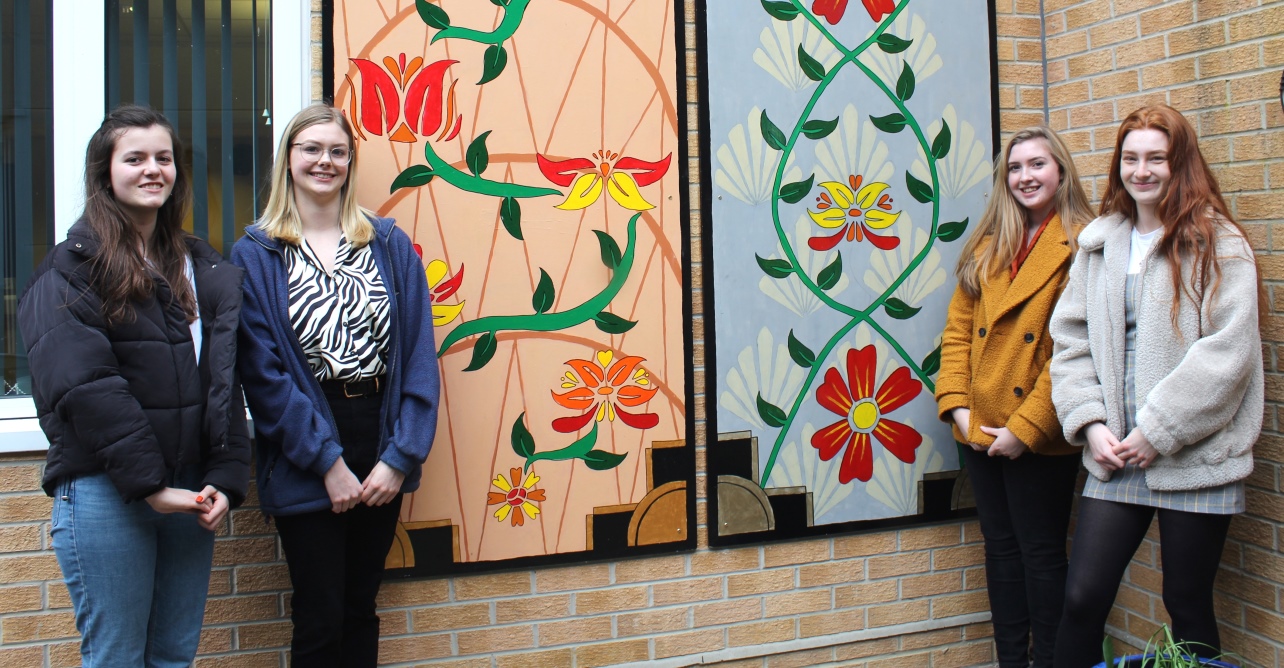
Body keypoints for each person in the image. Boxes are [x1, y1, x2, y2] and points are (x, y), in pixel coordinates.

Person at [17, 105, 250, 667]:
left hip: (191, 490)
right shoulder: (70, 269)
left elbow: (225, 380)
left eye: (163, 158)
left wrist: (224, 475)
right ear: (105, 173)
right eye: (135, 158)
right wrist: (150, 486)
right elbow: (85, 387)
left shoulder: (200, 264)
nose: (153, 170)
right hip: (106, 493)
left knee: (173, 657)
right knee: (117, 659)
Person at [1050, 105, 1264, 667]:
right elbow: (1070, 342)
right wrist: (1090, 424)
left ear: (1180, 164)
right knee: (1082, 597)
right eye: (1131, 158)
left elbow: (1228, 353)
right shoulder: (1099, 245)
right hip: (1116, 454)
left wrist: (1159, 428)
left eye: (1156, 158)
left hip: (1196, 455)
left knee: (1186, 603)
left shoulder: (1219, 243)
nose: (1141, 170)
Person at [232, 103, 440, 667]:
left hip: (379, 434)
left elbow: (420, 356)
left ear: (349, 162)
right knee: (320, 615)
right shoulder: (258, 255)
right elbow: (265, 378)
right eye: (312, 149)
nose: (325, 161)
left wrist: (400, 456)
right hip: (304, 442)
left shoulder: (388, 243)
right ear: (289, 160)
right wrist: (327, 462)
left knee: (359, 607)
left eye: (337, 151)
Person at [935, 126, 1095, 667]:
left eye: (1037, 165)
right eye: (1015, 168)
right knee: (1000, 551)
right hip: (978, 429)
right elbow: (957, 333)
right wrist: (960, 410)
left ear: (1061, 171)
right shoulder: (989, 246)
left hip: (1037, 434)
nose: (1026, 177)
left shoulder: (1086, 244)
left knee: (1042, 556)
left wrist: (1024, 431)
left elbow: (1076, 352)